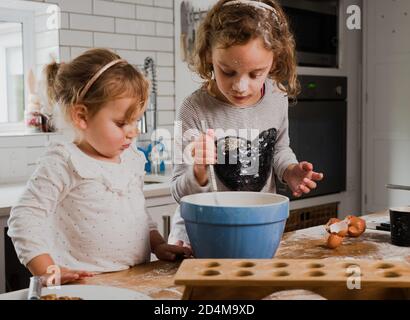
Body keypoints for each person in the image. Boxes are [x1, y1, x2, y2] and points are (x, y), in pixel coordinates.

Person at [8, 48, 191, 284]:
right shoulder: (64, 160)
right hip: (86, 283)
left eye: (135, 121)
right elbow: (24, 218)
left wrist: (158, 244)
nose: (133, 132)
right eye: (121, 123)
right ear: (81, 116)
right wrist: (47, 270)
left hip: (135, 278)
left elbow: (138, 214)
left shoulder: (131, 158)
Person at [168, 0, 324, 246]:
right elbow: (178, 191)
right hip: (201, 237)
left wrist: (290, 170)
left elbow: (278, 148)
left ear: (275, 59)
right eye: (227, 71)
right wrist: (197, 171)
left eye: (256, 73)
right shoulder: (193, 109)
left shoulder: (277, 98)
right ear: (209, 54)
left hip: (257, 230)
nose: (241, 87)